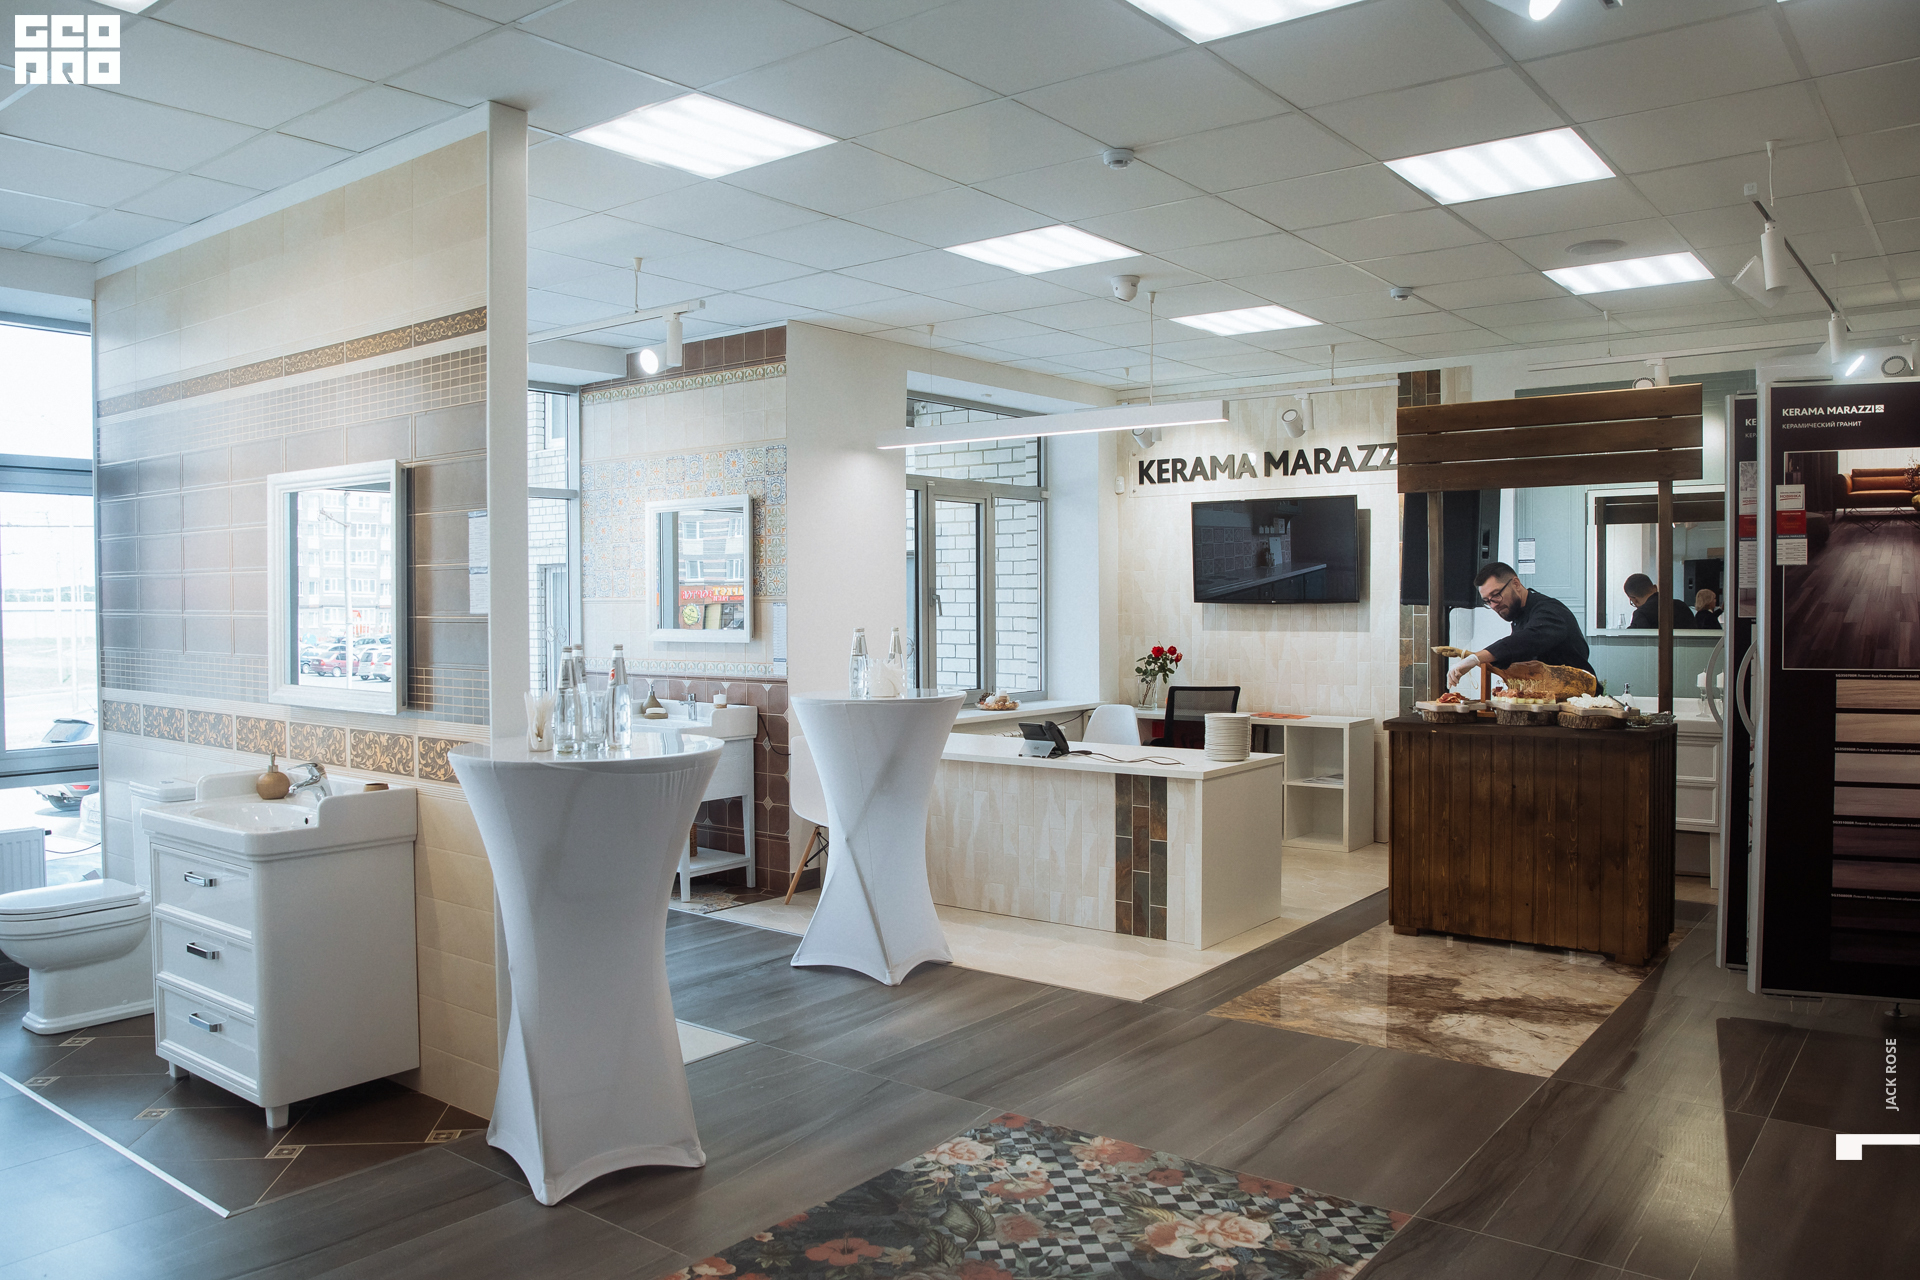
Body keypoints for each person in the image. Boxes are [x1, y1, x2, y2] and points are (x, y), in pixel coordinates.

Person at [1448, 562, 1594, 689]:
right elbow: (1516, 656)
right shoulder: (1519, 616)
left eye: (1496, 595)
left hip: (1577, 698)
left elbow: (1526, 640)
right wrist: (1469, 657)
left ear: (1516, 584)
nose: (1493, 605)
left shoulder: (1549, 610)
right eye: (1487, 601)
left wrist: (1475, 658)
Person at [1623, 573, 1694, 629]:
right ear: (1655, 588)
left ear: (1634, 600)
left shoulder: (1641, 614)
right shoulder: (1681, 605)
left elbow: (1635, 640)